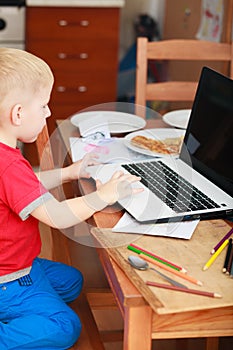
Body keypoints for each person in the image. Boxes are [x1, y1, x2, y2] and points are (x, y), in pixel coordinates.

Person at [0, 47, 142, 350]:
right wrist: (103, 196)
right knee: (65, 326)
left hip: (18, 266)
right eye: (44, 106)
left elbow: (25, 188)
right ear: (18, 114)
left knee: (72, 281)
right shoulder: (9, 164)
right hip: (9, 280)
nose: (48, 113)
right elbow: (58, 216)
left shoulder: (6, 160)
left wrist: (67, 174)